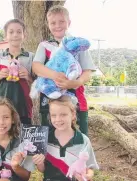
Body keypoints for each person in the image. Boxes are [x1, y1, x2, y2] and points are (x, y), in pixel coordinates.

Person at [32, 5, 96, 135]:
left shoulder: (78, 44)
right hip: (49, 102)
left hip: (76, 101)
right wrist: (55, 75)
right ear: (48, 24)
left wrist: (76, 83)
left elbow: (87, 71)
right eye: (53, 23)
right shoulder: (44, 45)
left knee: (78, 139)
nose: (57, 25)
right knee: (50, 140)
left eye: (61, 21)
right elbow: (36, 67)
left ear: (69, 22)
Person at [34, 95, 99, 181]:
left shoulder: (83, 140)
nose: (58, 119)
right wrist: (39, 163)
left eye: (63, 114)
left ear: (73, 115)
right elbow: (43, 170)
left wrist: (88, 175)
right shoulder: (44, 139)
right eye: (53, 115)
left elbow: (90, 167)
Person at [0, 19, 34, 125]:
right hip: (2, 106)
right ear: (5, 36)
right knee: (3, 134)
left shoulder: (31, 57)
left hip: (24, 106)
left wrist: (28, 76)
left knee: (23, 136)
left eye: (19, 32)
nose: (15, 35)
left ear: (24, 35)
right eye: (11, 32)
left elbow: (37, 83)